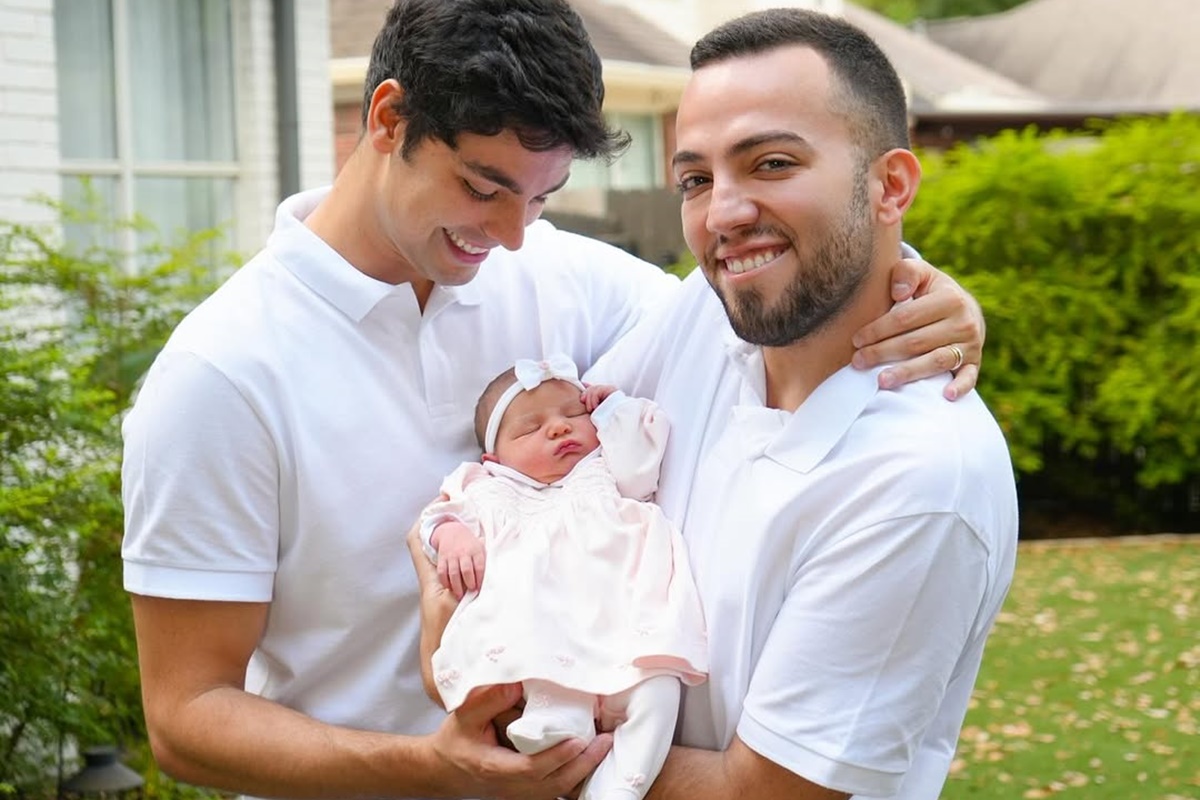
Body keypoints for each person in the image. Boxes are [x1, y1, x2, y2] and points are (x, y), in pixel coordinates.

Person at [121, 1, 988, 798]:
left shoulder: (564, 277)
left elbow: (762, 301)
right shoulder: (221, 376)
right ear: (387, 120)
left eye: (541, 197)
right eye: (483, 187)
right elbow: (187, 717)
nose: (511, 235)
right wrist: (427, 768)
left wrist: (917, 290)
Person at [576, 9, 1018, 799]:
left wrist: (526, 723)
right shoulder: (703, 314)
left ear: (890, 186)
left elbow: (761, 791)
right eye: (696, 180)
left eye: (772, 163)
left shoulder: (919, 481)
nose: (723, 213)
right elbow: (548, 452)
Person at [419, 355, 706, 800]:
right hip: (547, 634)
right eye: (530, 428)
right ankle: (555, 720)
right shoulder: (487, 485)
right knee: (541, 660)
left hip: (629, 624)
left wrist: (612, 412)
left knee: (658, 692)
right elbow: (437, 517)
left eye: (574, 414)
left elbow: (642, 462)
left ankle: (622, 788)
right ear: (494, 458)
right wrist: (453, 536)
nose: (558, 428)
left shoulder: (605, 468)